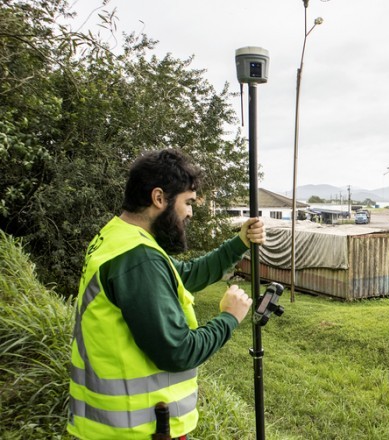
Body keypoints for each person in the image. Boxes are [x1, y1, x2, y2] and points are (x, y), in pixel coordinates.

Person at [68, 149, 265, 439]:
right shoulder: (138, 258)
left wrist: (239, 242)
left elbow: (185, 275)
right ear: (159, 198)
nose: (190, 212)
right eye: (188, 202)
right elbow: (178, 351)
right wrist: (228, 317)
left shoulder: (117, 237)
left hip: (113, 426)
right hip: (141, 429)